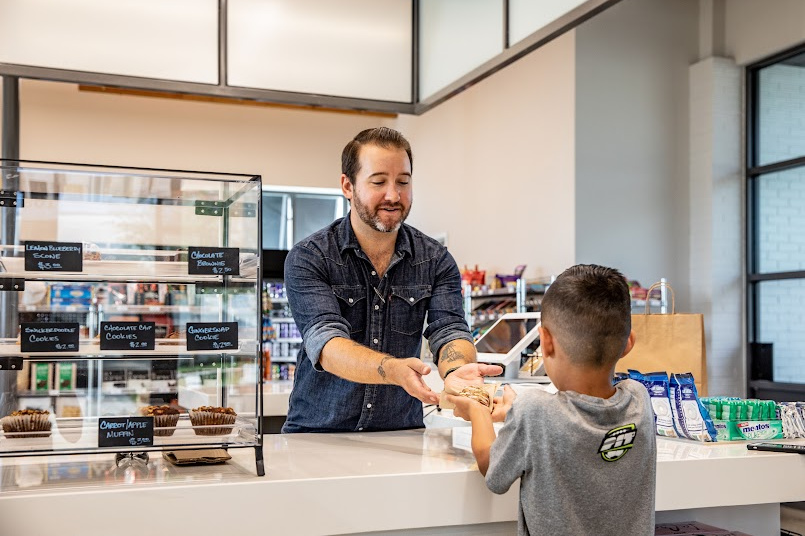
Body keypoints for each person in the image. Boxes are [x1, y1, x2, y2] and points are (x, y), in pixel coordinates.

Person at [282, 127, 502, 433]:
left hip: (401, 434)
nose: (393, 195)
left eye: (403, 182)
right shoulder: (310, 257)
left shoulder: (436, 260)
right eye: (379, 182)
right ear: (348, 185)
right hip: (319, 434)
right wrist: (391, 369)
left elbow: (449, 328)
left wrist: (457, 370)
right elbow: (327, 344)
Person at [447, 264, 656, 535]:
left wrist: (478, 409)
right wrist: (515, 414)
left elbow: (492, 470)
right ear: (628, 343)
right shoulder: (639, 399)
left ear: (545, 342)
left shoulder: (534, 411)